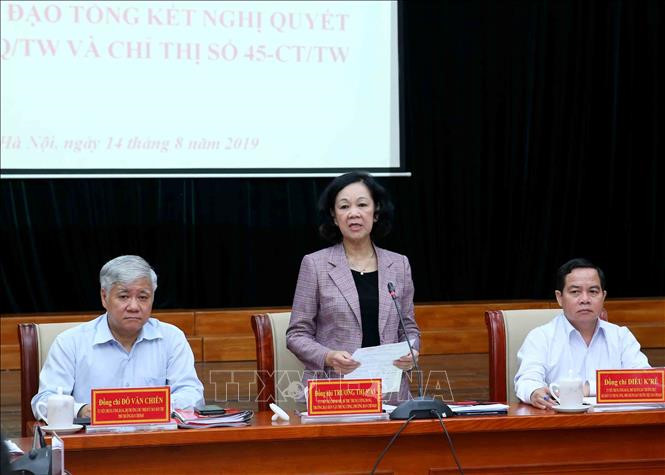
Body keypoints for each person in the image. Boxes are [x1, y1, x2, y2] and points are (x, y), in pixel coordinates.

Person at [286, 172, 420, 402]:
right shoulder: (315, 265)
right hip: (334, 392)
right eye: (344, 206)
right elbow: (296, 335)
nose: (354, 213)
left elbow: (407, 328)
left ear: (376, 212)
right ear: (334, 216)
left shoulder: (399, 265)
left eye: (362, 204)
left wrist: (412, 351)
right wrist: (328, 356)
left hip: (390, 394)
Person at [31, 255, 204, 419]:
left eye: (143, 297)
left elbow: (192, 395)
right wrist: (81, 410)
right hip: (93, 438)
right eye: (124, 296)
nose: (134, 306)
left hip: (155, 436)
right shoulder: (71, 342)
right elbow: (43, 402)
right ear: (104, 297)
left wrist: (146, 407)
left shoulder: (171, 338)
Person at [514, 258, 650, 409]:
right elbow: (527, 380)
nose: (585, 299)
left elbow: (647, 383)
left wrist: (588, 388)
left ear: (603, 297)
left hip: (613, 420)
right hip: (561, 420)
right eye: (575, 292)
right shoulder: (541, 337)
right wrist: (534, 392)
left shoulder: (621, 337)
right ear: (559, 298)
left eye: (593, 291)